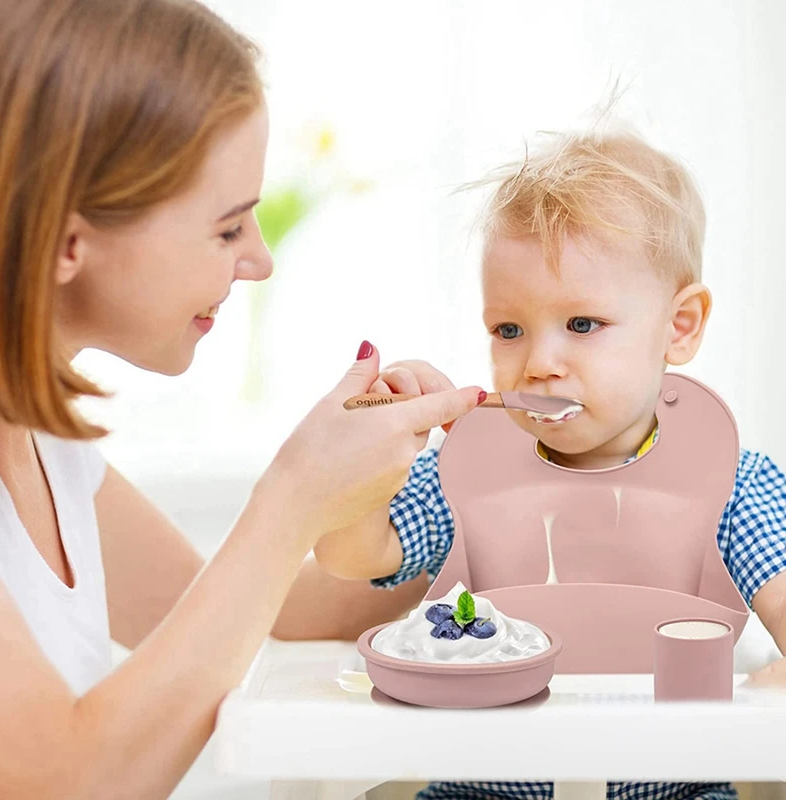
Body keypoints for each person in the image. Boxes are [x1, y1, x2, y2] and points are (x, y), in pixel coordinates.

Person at [0, 1, 487, 796]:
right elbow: (65, 782)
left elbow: (278, 612)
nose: (258, 262)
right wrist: (291, 496)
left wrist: (468, 515)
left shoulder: (49, 450)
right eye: (225, 230)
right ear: (66, 242)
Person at [313, 127, 786, 800]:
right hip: (478, 793)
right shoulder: (465, 472)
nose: (537, 362)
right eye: (509, 330)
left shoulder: (732, 481)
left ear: (678, 327)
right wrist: (374, 459)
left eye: (583, 325)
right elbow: (349, 554)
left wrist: (759, 705)